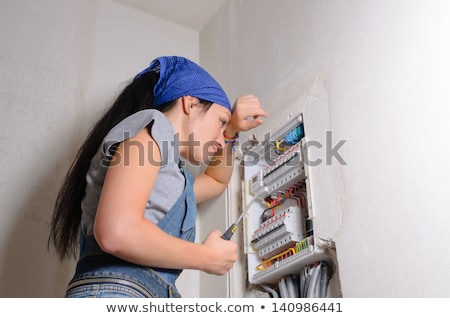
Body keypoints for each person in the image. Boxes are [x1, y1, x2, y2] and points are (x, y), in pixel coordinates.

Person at [48, 56, 267, 298]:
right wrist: (206, 257)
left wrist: (232, 130)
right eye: (220, 122)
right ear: (190, 103)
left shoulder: (171, 176)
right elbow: (116, 231)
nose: (220, 137)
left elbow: (216, 181)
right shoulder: (152, 128)